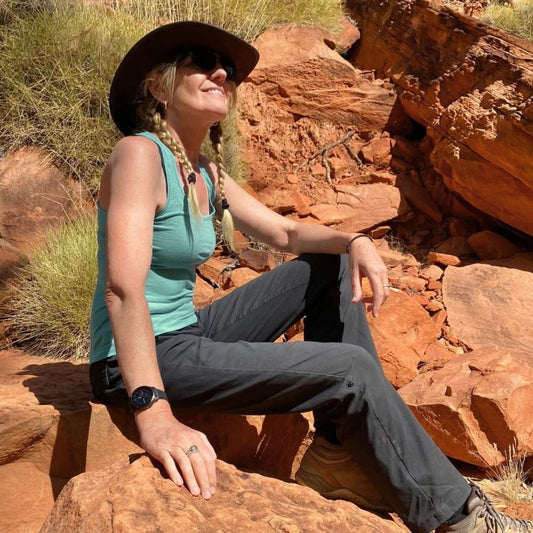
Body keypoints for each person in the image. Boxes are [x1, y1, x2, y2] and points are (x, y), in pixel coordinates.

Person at [89, 20, 532, 533]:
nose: (220, 74)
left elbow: (284, 232)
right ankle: (462, 520)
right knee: (348, 369)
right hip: (135, 361)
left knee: (328, 264)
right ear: (156, 85)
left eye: (228, 70)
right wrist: (154, 413)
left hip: (188, 334)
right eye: (201, 61)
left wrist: (354, 241)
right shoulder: (139, 155)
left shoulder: (205, 172)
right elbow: (123, 289)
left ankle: (338, 453)